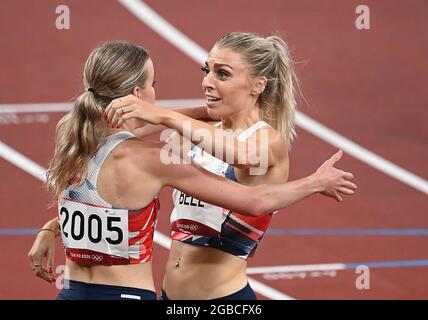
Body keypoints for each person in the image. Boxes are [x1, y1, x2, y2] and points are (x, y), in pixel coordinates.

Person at [29, 38, 356, 300]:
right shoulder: (194, 136)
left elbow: (241, 157)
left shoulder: (266, 141)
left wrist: (315, 182)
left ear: (257, 85)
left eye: (222, 74)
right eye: (206, 71)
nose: (207, 82)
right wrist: (55, 225)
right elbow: (111, 159)